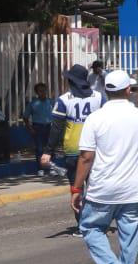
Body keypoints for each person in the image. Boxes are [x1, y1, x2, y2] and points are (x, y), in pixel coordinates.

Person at [71, 69, 138, 264]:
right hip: (132, 190)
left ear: (106, 91)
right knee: (129, 237)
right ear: (128, 89)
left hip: (102, 190)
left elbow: (86, 157)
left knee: (90, 228)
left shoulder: (96, 118)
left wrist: (76, 188)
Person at [41, 64, 106, 235]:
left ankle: (82, 226)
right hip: (96, 150)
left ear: (71, 81)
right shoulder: (99, 98)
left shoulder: (64, 100)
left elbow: (56, 128)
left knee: (76, 188)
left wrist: (48, 150)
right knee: (95, 189)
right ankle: (98, 225)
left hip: (73, 150)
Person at [27, 83, 55, 170]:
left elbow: (58, 115)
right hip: (37, 127)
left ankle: (52, 168)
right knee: (39, 149)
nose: (42, 92)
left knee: (51, 148)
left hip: (49, 127)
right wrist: (30, 128)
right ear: (36, 92)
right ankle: (40, 169)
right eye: (40, 91)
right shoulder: (33, 103)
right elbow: (25, 117)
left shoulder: (51, 102)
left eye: (44, 90)